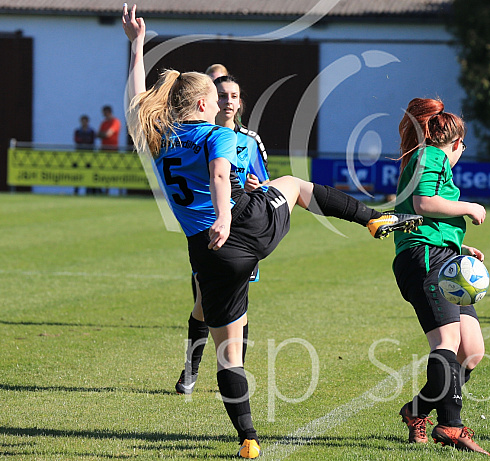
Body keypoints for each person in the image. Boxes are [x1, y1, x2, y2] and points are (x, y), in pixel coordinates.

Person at [122, 5, 421, 459]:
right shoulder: (216, 134)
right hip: (245, 225)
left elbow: (136, 100)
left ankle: (248, 438)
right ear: (205, 104)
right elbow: (221, 174)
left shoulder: (158, 137)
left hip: (209, 254)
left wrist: (135, 45)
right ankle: (372, 219)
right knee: (295, 185)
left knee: (230, 353)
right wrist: (225, 215)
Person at [392, 97, 490, 455]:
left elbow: (428, 219)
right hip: (425, 259)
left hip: (443, 257)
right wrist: (470, 207)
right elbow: (423, 203)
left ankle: (416, 411)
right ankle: (451, 425)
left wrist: (460, 249)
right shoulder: (429, 155)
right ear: (457, 144)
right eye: (463, 145)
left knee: (472, 351)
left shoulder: (427, 159)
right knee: (446, 343)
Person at [174, 72, 271, 396]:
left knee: (240, 304)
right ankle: (192, 367)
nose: (228, 101)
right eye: (222, 95)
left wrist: (259, 187)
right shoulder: (201, 135)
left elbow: (265, 182)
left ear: (240, 102)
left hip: (242, 228)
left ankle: (233, 372)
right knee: (203, 303)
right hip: (210, 229)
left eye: (233, 95)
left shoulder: (249, 141)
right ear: (211, 102)